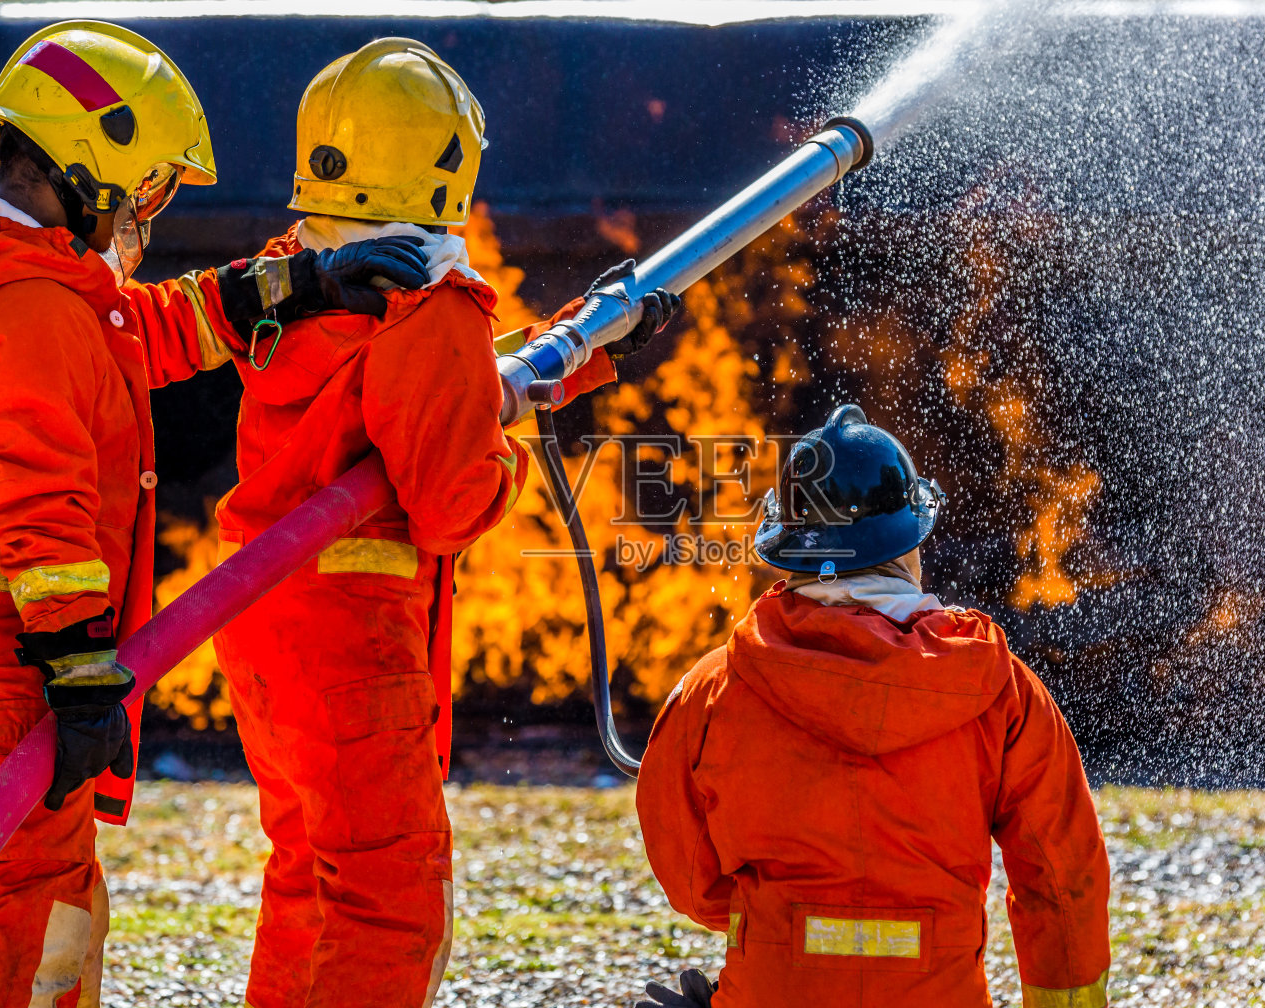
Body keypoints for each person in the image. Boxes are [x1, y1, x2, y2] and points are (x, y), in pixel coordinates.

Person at [0, 22, 429, 1006]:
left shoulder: (3, 272)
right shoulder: (30, 314)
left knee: (50, 897)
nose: (147, 213)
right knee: (23, 910)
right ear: (91, 164)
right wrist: (77, 669)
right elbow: (40, 502)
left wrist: (293, 285)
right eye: (147, 189)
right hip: (3, 652)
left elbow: (143, 331)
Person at [204, 38, 679, 1008]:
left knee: (311, 876)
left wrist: (581, 349)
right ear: (447, 163)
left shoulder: (293, 275)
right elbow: (452, 498)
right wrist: (503, 454)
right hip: (352, 639)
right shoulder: (430, 300)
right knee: (388, 898)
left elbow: (409, 389)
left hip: (262, 621)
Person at [633, 405, 1112, 1008]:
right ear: (908, 542)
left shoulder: (712, 688)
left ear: (790, 546)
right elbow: (1063, 878)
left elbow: (688, 873)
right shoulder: (1000, 689)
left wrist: (777, 924)